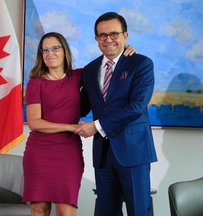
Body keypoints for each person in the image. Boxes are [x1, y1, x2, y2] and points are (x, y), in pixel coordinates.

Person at [22, 32, 136, 216]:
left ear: (64, 51)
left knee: (66, 211)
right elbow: (35, 123)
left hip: (68, 153)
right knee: (39, 211)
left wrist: (124, 51)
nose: (50, 53)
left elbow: (107, 66)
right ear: (41, 55)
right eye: (45, 50)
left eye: (55, 48)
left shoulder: (79, 76)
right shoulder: (35, 83)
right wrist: (71, 127)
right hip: (39, 152)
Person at [76, 12, 158, 216]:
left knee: (139, 211)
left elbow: (137, 107)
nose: (108, 39)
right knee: (106, 212)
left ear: (125, 35)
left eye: (114, 34)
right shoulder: (90, 69)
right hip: (103, 156)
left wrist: (96, 126)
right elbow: (81, 107)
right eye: (102, 35)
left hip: (134, 152)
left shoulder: (141, 64)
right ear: (96, 38)